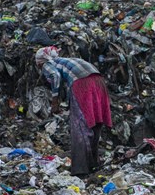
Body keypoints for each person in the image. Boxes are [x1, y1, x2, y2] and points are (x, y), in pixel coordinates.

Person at [35, 46, 112, 177]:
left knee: (80, 127)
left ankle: (81, 169)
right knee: (95, 122)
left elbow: (55, 76)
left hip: (82, 84)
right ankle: (93, 164)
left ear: (40, 61)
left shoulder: (47, 64)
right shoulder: (66, 60)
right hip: (98, 81)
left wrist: (55, 100)